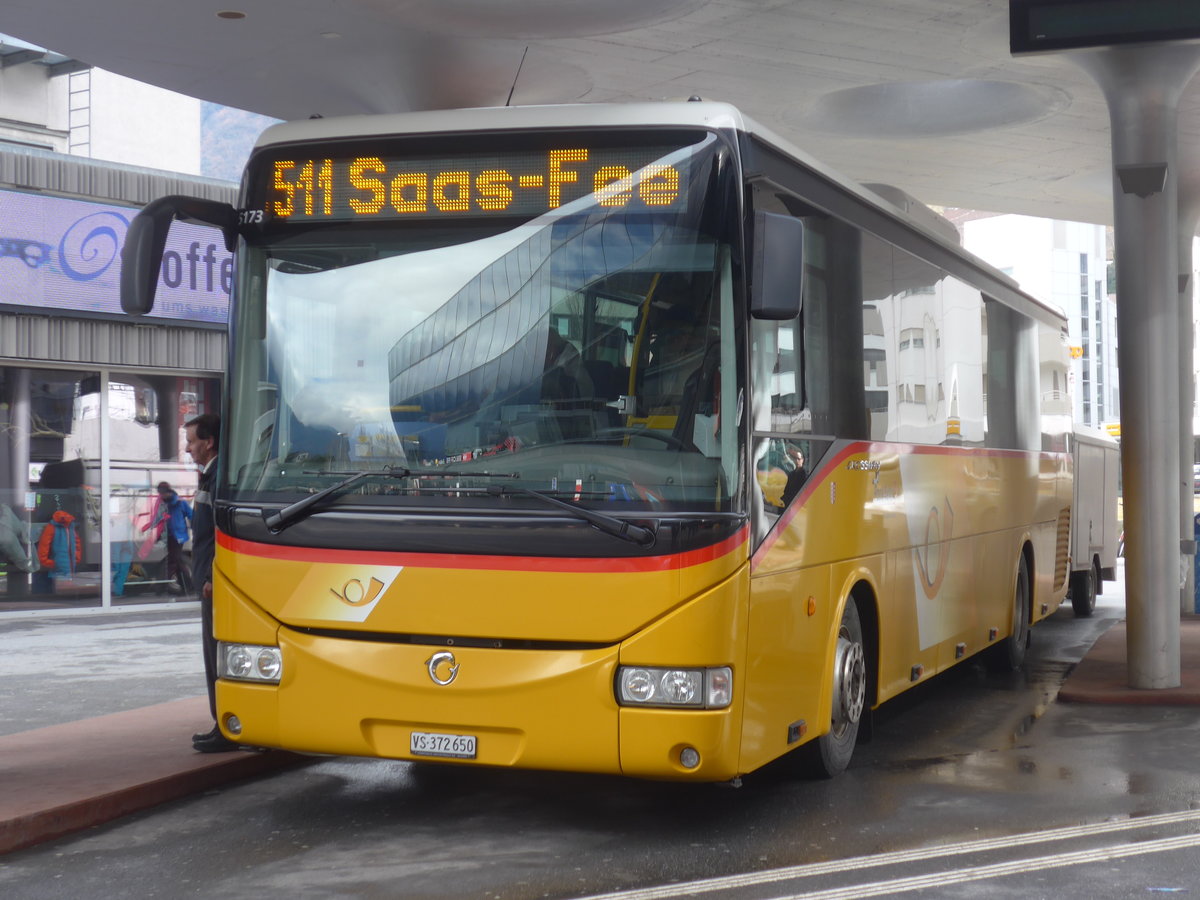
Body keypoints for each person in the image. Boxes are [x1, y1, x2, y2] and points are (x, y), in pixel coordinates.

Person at [185, 412, 238, 753]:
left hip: (213, 581)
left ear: (209, 442)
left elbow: (220, 532)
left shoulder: (218, 475)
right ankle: (224, 722)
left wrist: (209, 577)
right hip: (211, 577)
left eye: (191, 441)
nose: (188, 448)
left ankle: (225, 725)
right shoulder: (211, 473)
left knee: (216, 652)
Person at [149, 482, 192, 594]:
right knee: (176, 561)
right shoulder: (161, 504)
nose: (161, 496)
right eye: (160, 494)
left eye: (162, 494)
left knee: (174, 560)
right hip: (168, 536)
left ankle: (161, 587)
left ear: (168, 492)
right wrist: (152, 528)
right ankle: (187, 587)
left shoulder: (180, 502)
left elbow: (191, 515)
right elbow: (156, 518)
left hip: (179, 536)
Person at [34, 508, 82, 594]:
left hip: (61, 566)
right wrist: (50, 562)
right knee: (57, 592)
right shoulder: (60, 527)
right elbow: (44, 546)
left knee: (59, 593)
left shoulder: (69, 527)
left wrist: (76, 559)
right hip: (58, 567)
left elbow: (76, 543)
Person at [780, 443, 809, 507]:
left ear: (802, 460)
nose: (796, 461)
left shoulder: (806, 476)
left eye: (798, 459)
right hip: (789, 504)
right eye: (794, 458)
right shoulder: (791, 475)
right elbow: (786, 492)